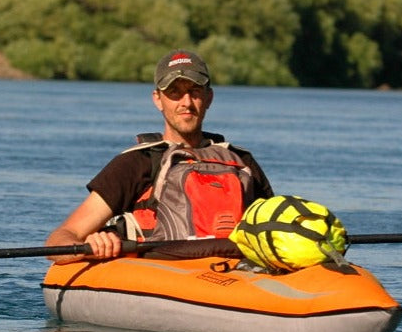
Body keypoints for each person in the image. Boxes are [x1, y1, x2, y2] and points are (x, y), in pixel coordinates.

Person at [47, 50, 273, 262]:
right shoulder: (138, 162)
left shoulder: (241, 161)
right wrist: (94, 245)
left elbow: (275, 230)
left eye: (195, 91)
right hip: (163, 276)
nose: (186, 102)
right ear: (157, 99)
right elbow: (60, 239)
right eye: (175, 93)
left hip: (235, 275)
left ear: (209, 98)